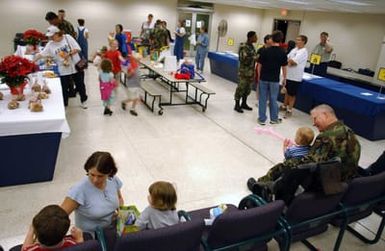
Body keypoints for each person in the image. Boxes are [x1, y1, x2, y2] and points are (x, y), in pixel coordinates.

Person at [248, 104, 361, 188]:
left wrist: (289, 161)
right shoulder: (348, 131)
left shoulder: (326, 137)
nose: (314, 123)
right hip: (345, 181)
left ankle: (260, 186)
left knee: (285, 166)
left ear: (325, 115)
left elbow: (308, 163)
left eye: (315, 118)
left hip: (328, 184)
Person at [61, 151, 124, 236]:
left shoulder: (113, 180)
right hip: (89, 236)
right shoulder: (78, 190)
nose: (95, 180)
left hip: (110, 230)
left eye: (100, 176)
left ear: (109, 173)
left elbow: (119, 198)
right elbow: (59, 217)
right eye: (92, 174)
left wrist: (120, 212)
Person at [35, 26, 88, 108]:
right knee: (64, 87)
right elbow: (41, 54)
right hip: (63, 69)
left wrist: (68, 54)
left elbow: (78, 49)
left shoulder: (68, 37)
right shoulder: (50, 44)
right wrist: (31, 61)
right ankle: (65, 104)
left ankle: (83, 100)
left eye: (52, 36)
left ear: (57, 33)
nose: (51, 38)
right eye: (50, 36)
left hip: (75, 65)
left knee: (80, 84)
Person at [257, 30, 287, 125]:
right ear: (281, 40)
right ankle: (274, 119)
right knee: (273, 99)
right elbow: (284, 67)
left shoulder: (265, 51)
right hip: (274, 80)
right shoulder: (283, 53)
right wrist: (284, 79)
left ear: (272, 39)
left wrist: (259, 76)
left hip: (263, 78)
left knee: (262, 99)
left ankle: (262, 119)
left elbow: (259, 65)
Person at [280, 35, 308, 118]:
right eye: (297, 39)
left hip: (295, 77)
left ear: (303, 42)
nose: (297, 41)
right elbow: (286, 58)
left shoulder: (303, 51)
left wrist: (289, 61)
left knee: (292, 94)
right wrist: (289, 61)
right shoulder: (294, 49)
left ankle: (290, 110)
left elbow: (293, 62)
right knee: (286, 92)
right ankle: (284, 106)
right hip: (288, 75)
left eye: (299, 40)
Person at [234, 31, 258, 113]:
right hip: (244, 72)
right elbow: (243, 60)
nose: (256, 38)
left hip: (251, 72)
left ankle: (244, 103)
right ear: (250, 37)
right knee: (241, 88)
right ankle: (237, 105)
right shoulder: (244, 46)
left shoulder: (252, 46)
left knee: (248, 89)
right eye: (255, 36)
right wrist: (254, 58)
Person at [255, 34, 272, 106]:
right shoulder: (261, 50)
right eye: (271, 39)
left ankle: (267, 100)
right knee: (260, 85)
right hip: (261, 69)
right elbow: (257, 60)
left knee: (269, 86)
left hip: (269, 70)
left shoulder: (272, 50)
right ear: (267, 40)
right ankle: (259, 100)